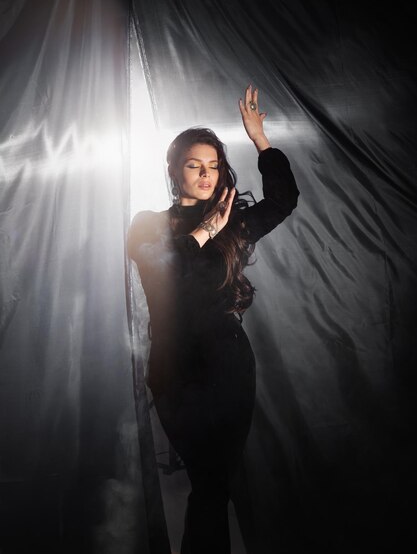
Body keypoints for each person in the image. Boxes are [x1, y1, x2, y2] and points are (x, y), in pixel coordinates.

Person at [127, 85, 299, 554]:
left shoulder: (235, 225)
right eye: (193, 165)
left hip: (228, 367)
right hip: (174, 370)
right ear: (174, 170)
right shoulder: (147, 225)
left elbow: (284, 201)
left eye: (214, 166)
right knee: (209, 484)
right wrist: (204, 231)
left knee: (213, 485)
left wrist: (262, 141)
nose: (206, 175)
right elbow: (166, 270)